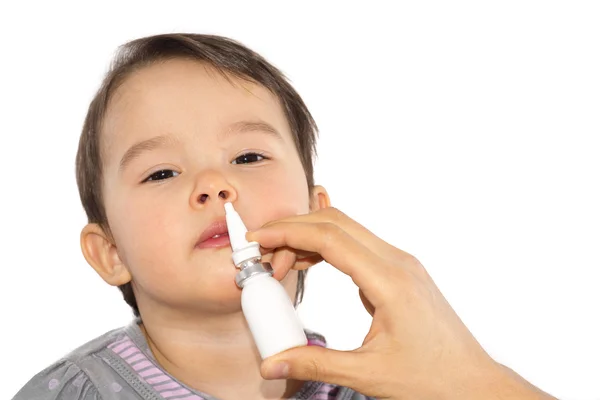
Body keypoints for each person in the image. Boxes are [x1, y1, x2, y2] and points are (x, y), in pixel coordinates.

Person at [13, 33, 556, 400]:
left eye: (248, 158)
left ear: (319, 218)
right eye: (161, 173)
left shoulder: (401, 386)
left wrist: (479, 385)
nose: (214, 185)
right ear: (109, 254)